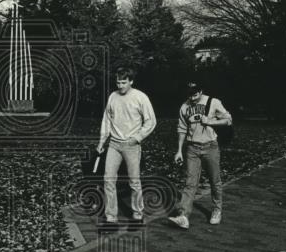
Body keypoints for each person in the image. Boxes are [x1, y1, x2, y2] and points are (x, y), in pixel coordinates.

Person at [96, 67, 156, 225]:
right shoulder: (113, 97)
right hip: (114, 144)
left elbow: (151, 121)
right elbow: (106, 120)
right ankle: (111, 215)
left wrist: (137, 138)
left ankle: (137, 212)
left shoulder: (140, 97)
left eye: (124, 82)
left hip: (131, 145)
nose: (120, 85)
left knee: (134, 181)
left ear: (131, 81)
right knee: (108, 179)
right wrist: (102, 141)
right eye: (118, 82)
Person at [168, 81, 232, 228]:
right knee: (190, 183)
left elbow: (228, 120)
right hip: (192, 149)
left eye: (195, 93)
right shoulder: (184, 106)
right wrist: (179, 151)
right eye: (190, 93)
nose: (192, 96)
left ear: (201, 91)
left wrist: (209, 121)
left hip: (210, 147)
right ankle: (183, 216)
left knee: (215, 181)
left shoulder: (213, 102)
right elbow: (182, 128)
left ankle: (217, 210)